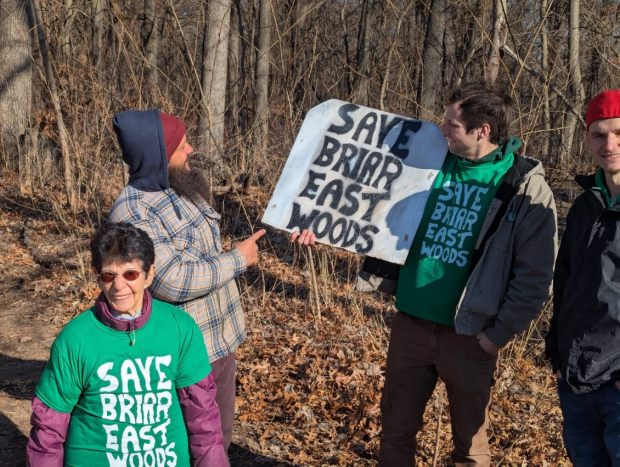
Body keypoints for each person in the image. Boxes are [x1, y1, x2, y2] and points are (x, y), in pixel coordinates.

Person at [292, 81, 558, 465]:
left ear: (481, 130)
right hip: (411, 326)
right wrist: (321, 223)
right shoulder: (428, 158)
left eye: (451, 123)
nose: (442, 128)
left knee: (469, 449)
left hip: (469, 337)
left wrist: (495, 337)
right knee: (396, 433)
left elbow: (534, 278)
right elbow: (365, 200)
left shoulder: (524, 188)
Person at [108, 109, 264, 451]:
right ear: (158, 155)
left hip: (219, 341)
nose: (191, 149)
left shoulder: (180, 188)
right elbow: (172, 279)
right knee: (188, 445)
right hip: (186, 352)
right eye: (181, 145)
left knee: (217, 440)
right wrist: (237, 260)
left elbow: (202, 253)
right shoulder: (133, 212)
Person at [26, 222, 227, 466]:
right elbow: (48, 429)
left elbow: (202, 416)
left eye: (130, 274)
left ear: (149, 274)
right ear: (97, 276)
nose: (119, 286)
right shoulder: (75, 339)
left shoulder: (179, 327)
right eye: (109, 275)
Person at [545, 89, 620, 466]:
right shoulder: (586, 205)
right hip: (576, 380)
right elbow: (565, 282)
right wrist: (556, 349)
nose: (609, 144)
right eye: (599, 134)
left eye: (619, 133)